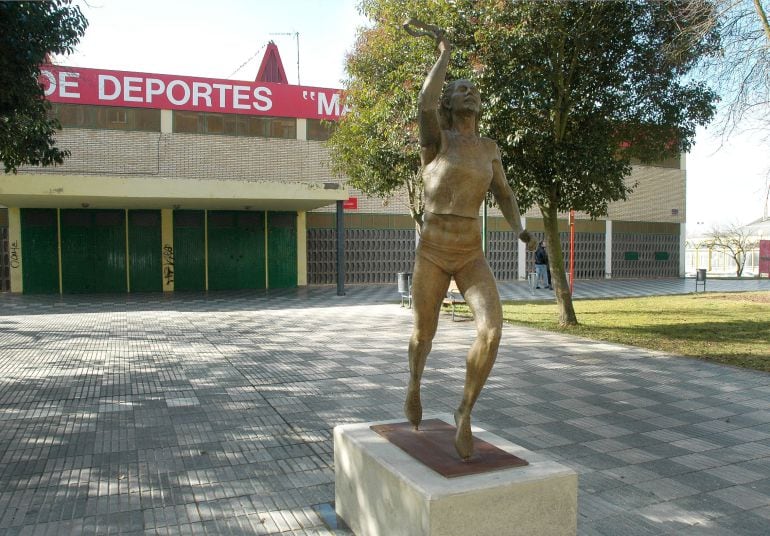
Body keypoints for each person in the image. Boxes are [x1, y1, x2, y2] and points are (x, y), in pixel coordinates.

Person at [403, 19, 535, 460]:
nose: (470, 93)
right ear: (450, 102)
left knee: (493, 332)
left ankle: (464, 409)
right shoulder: (435, 142)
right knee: (424, 334)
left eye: (474, 90)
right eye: (460, 89)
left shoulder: (490, 148)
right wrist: (444, 53)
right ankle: (415, 383)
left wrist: (520, 229)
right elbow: (425, 101)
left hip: (470, 252)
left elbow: (505, 194)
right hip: (433, 250)